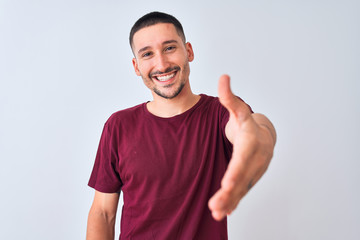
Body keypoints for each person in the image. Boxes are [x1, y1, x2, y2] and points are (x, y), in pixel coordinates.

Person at [86, 11, 276, 240]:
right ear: (136, 66)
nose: (162, 64)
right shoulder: (118, 126)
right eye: (148, 54)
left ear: (189, 51)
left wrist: (261, 135)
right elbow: (103, 213)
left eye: (169, 48)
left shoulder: (220, 114)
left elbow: (253, 129)